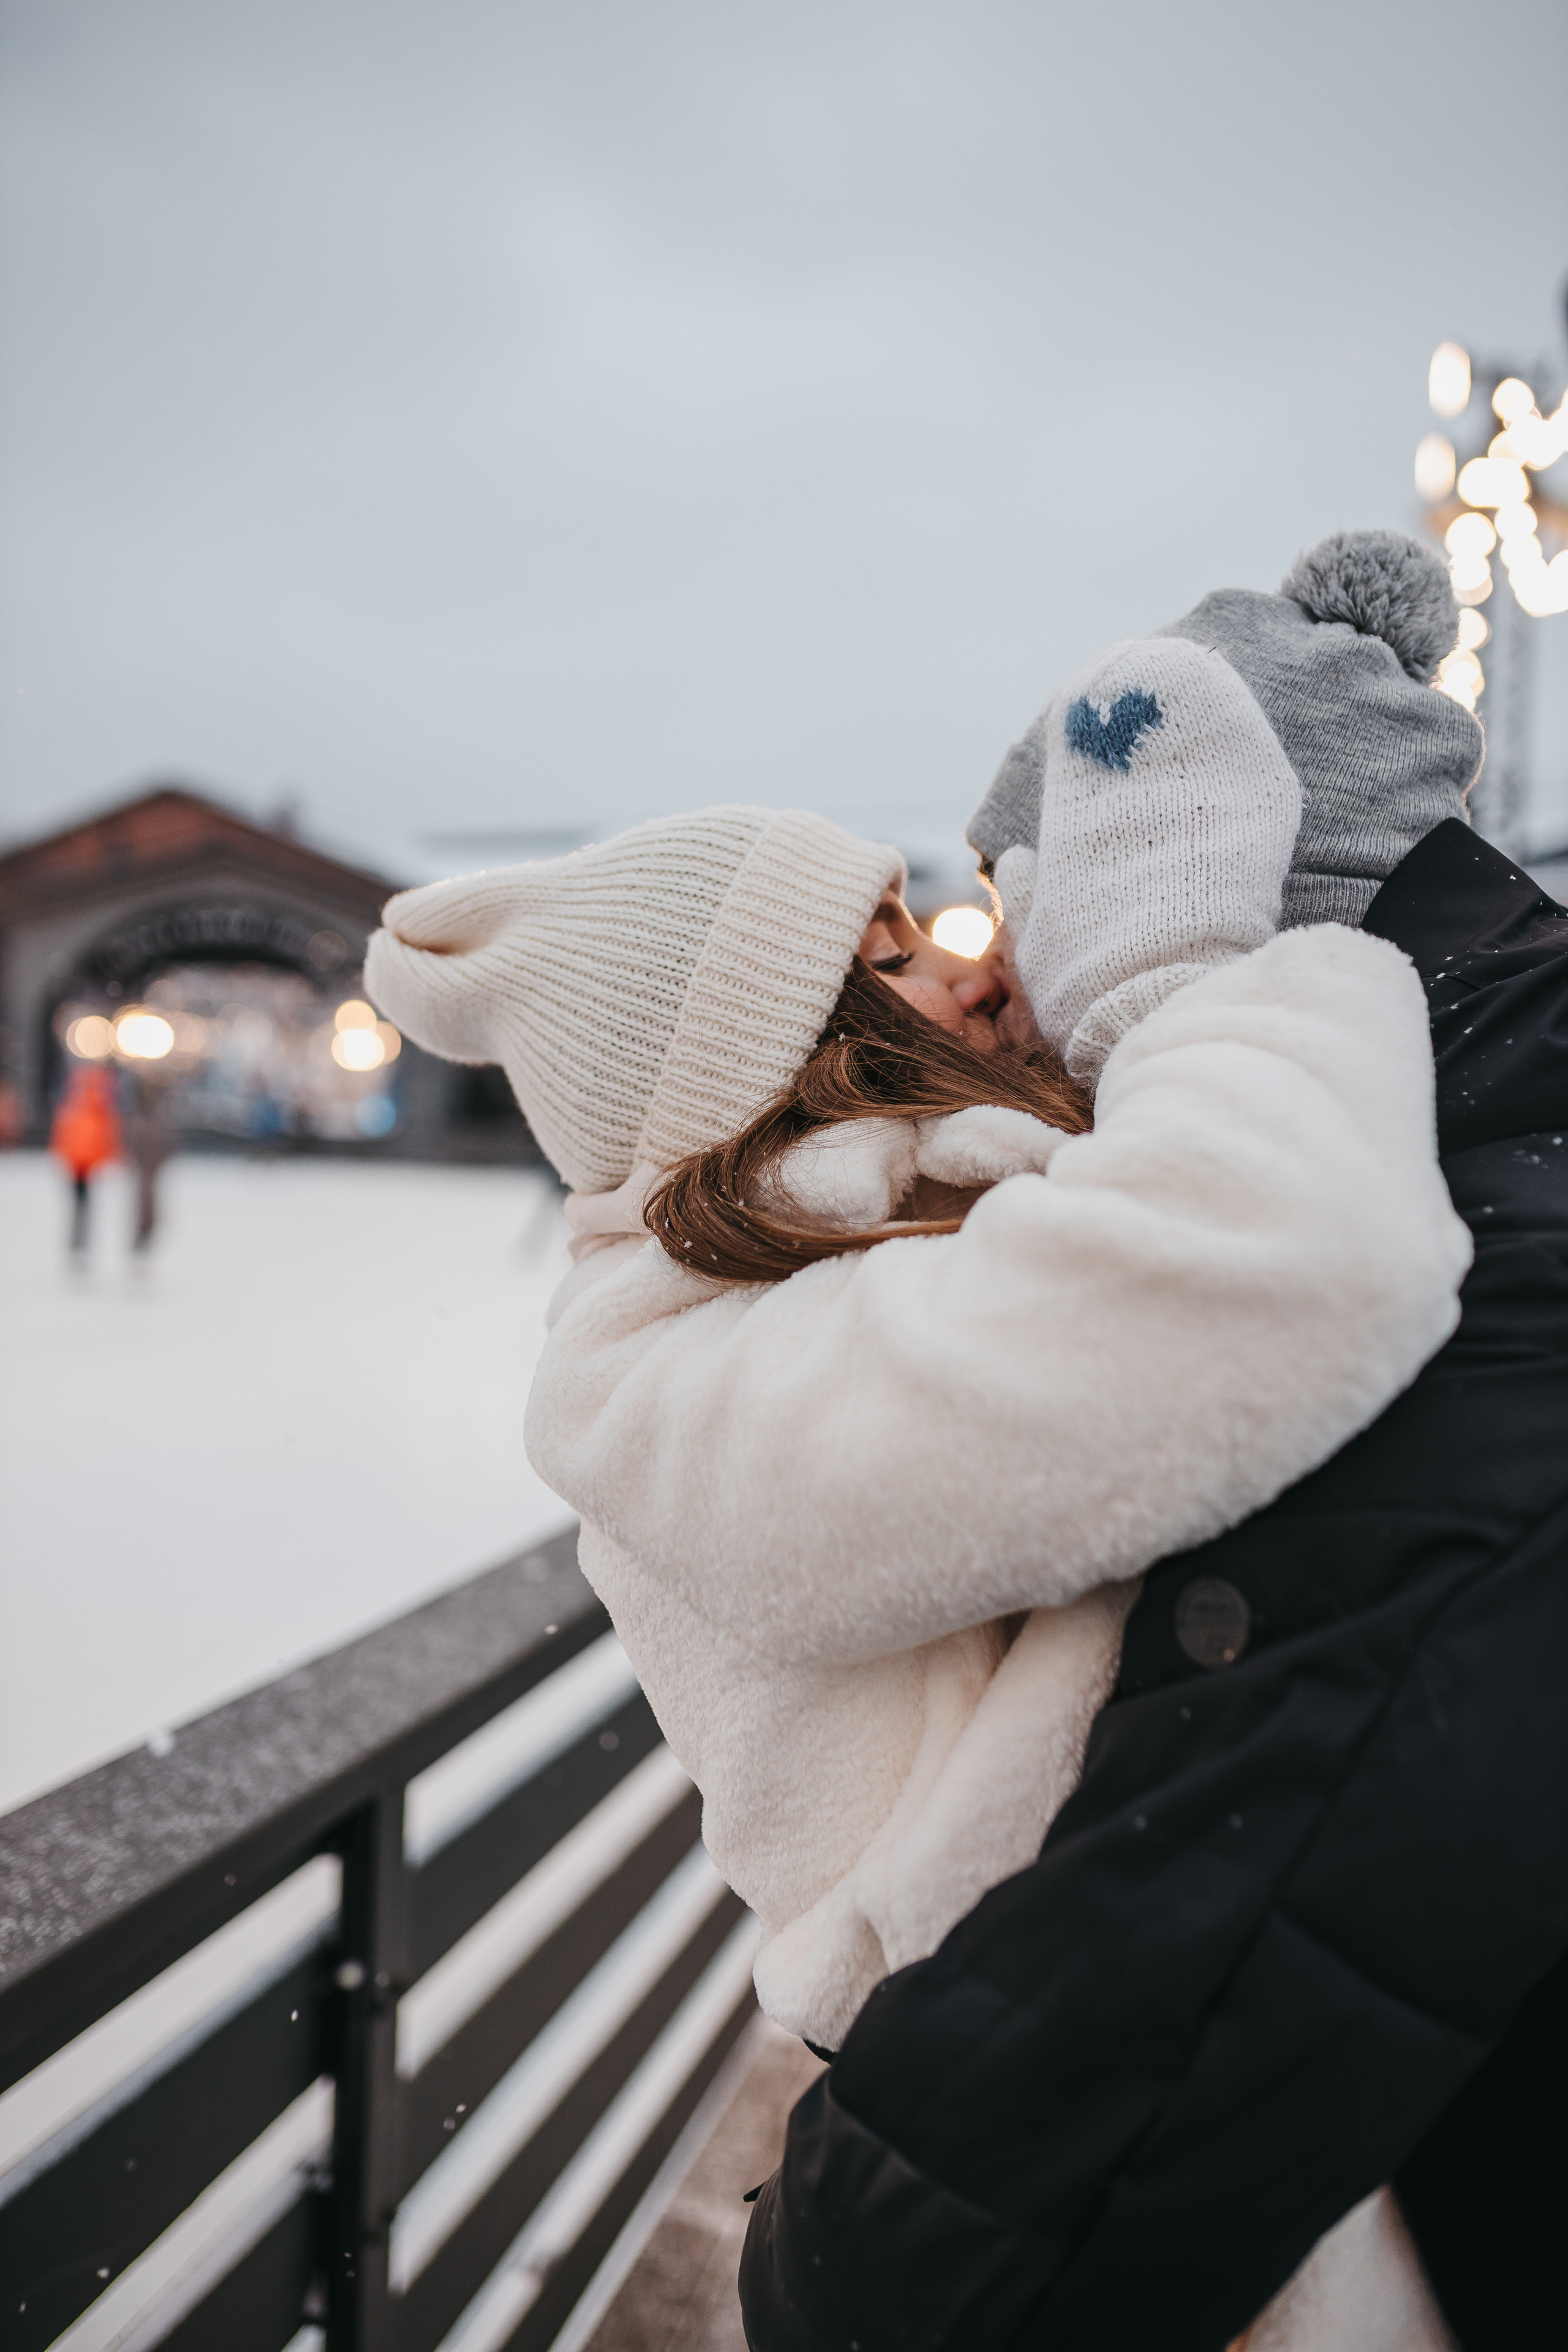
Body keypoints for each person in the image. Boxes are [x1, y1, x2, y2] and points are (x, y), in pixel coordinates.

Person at [366, 618, 1467, 2097]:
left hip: (1193, 2010)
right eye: (889, 953)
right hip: (1066, 2088)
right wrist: (1168, 980)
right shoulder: (661, 1385)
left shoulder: (905, 1228)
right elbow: (1284, 1279)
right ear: (773, 1050)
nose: (961, 975)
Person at [737, 534, 1568, 2352]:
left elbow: (1276, 1858)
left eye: (1024, 916)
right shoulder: (1480, 1123)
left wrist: (848, 2250)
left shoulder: (1494, 1231)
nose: (1004, 1004)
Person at [50, 1061, 121, 1254]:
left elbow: (65, 1136)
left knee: (80, 1205)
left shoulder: (74, 1107)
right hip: (84, 1165)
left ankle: (78, 1240)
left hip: (79, 1165)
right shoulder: (96, 1110)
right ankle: (80, 1241)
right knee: (83, 1205)